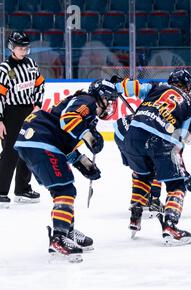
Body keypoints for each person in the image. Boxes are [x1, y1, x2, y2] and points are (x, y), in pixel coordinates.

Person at [14, 79, 118, 262]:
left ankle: (66, 231)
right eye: (109, 100)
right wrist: (89, 137)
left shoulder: (83, 104)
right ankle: (59, 237)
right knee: (65, 189)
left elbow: (63, 140)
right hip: (40, 139)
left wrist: (83, 163)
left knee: (61, 188)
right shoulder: (89, 102)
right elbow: (67, 120)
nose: (110, 105)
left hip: (35, 139)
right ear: (101, 97)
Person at [117, 69, 191, 246]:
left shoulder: (157, 87)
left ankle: (135, 215)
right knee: (176, 184)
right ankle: (170, 227)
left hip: (133, 136)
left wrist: (117, 84)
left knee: (142, 174)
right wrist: (182, 173)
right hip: (161, 142)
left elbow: (131, 87)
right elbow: (183, 139)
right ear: (188, 87)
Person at [0, 31, 45, 208]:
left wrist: (38, 105)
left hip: (29, 111)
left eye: (26, 48)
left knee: (27, 149)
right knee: (10, 153)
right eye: (20, 48)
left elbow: (39, 84)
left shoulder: (32, 64)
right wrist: (0, 120)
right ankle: (1, 191)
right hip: (10, 113)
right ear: (12, 47)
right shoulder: (4, 68)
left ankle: (22, 189)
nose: (24, 51)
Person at [113, 113, 164, 216]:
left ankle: (139, 201)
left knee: (140, 169)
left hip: (121, 133)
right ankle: (154, 200)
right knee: (156, 166)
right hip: (135, 135)